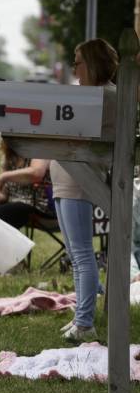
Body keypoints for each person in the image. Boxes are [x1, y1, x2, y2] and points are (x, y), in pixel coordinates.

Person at [54, 38, 118, 342]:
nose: (74, 68)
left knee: (81, 254)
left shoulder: (104, 96)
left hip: (81, 179)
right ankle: (81, 315)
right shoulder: (90, 95)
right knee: (75, 252)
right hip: (66, 180)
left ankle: (85, 322)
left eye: (78, 61)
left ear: (92, 63)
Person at [0, 140, 52, 230]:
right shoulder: (9, 155)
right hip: (14, 203)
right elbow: (2, 194)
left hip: (39, 205)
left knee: (4, 212)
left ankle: (7, 243)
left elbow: (36, 173)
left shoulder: (39, 147)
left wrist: (4, 176)